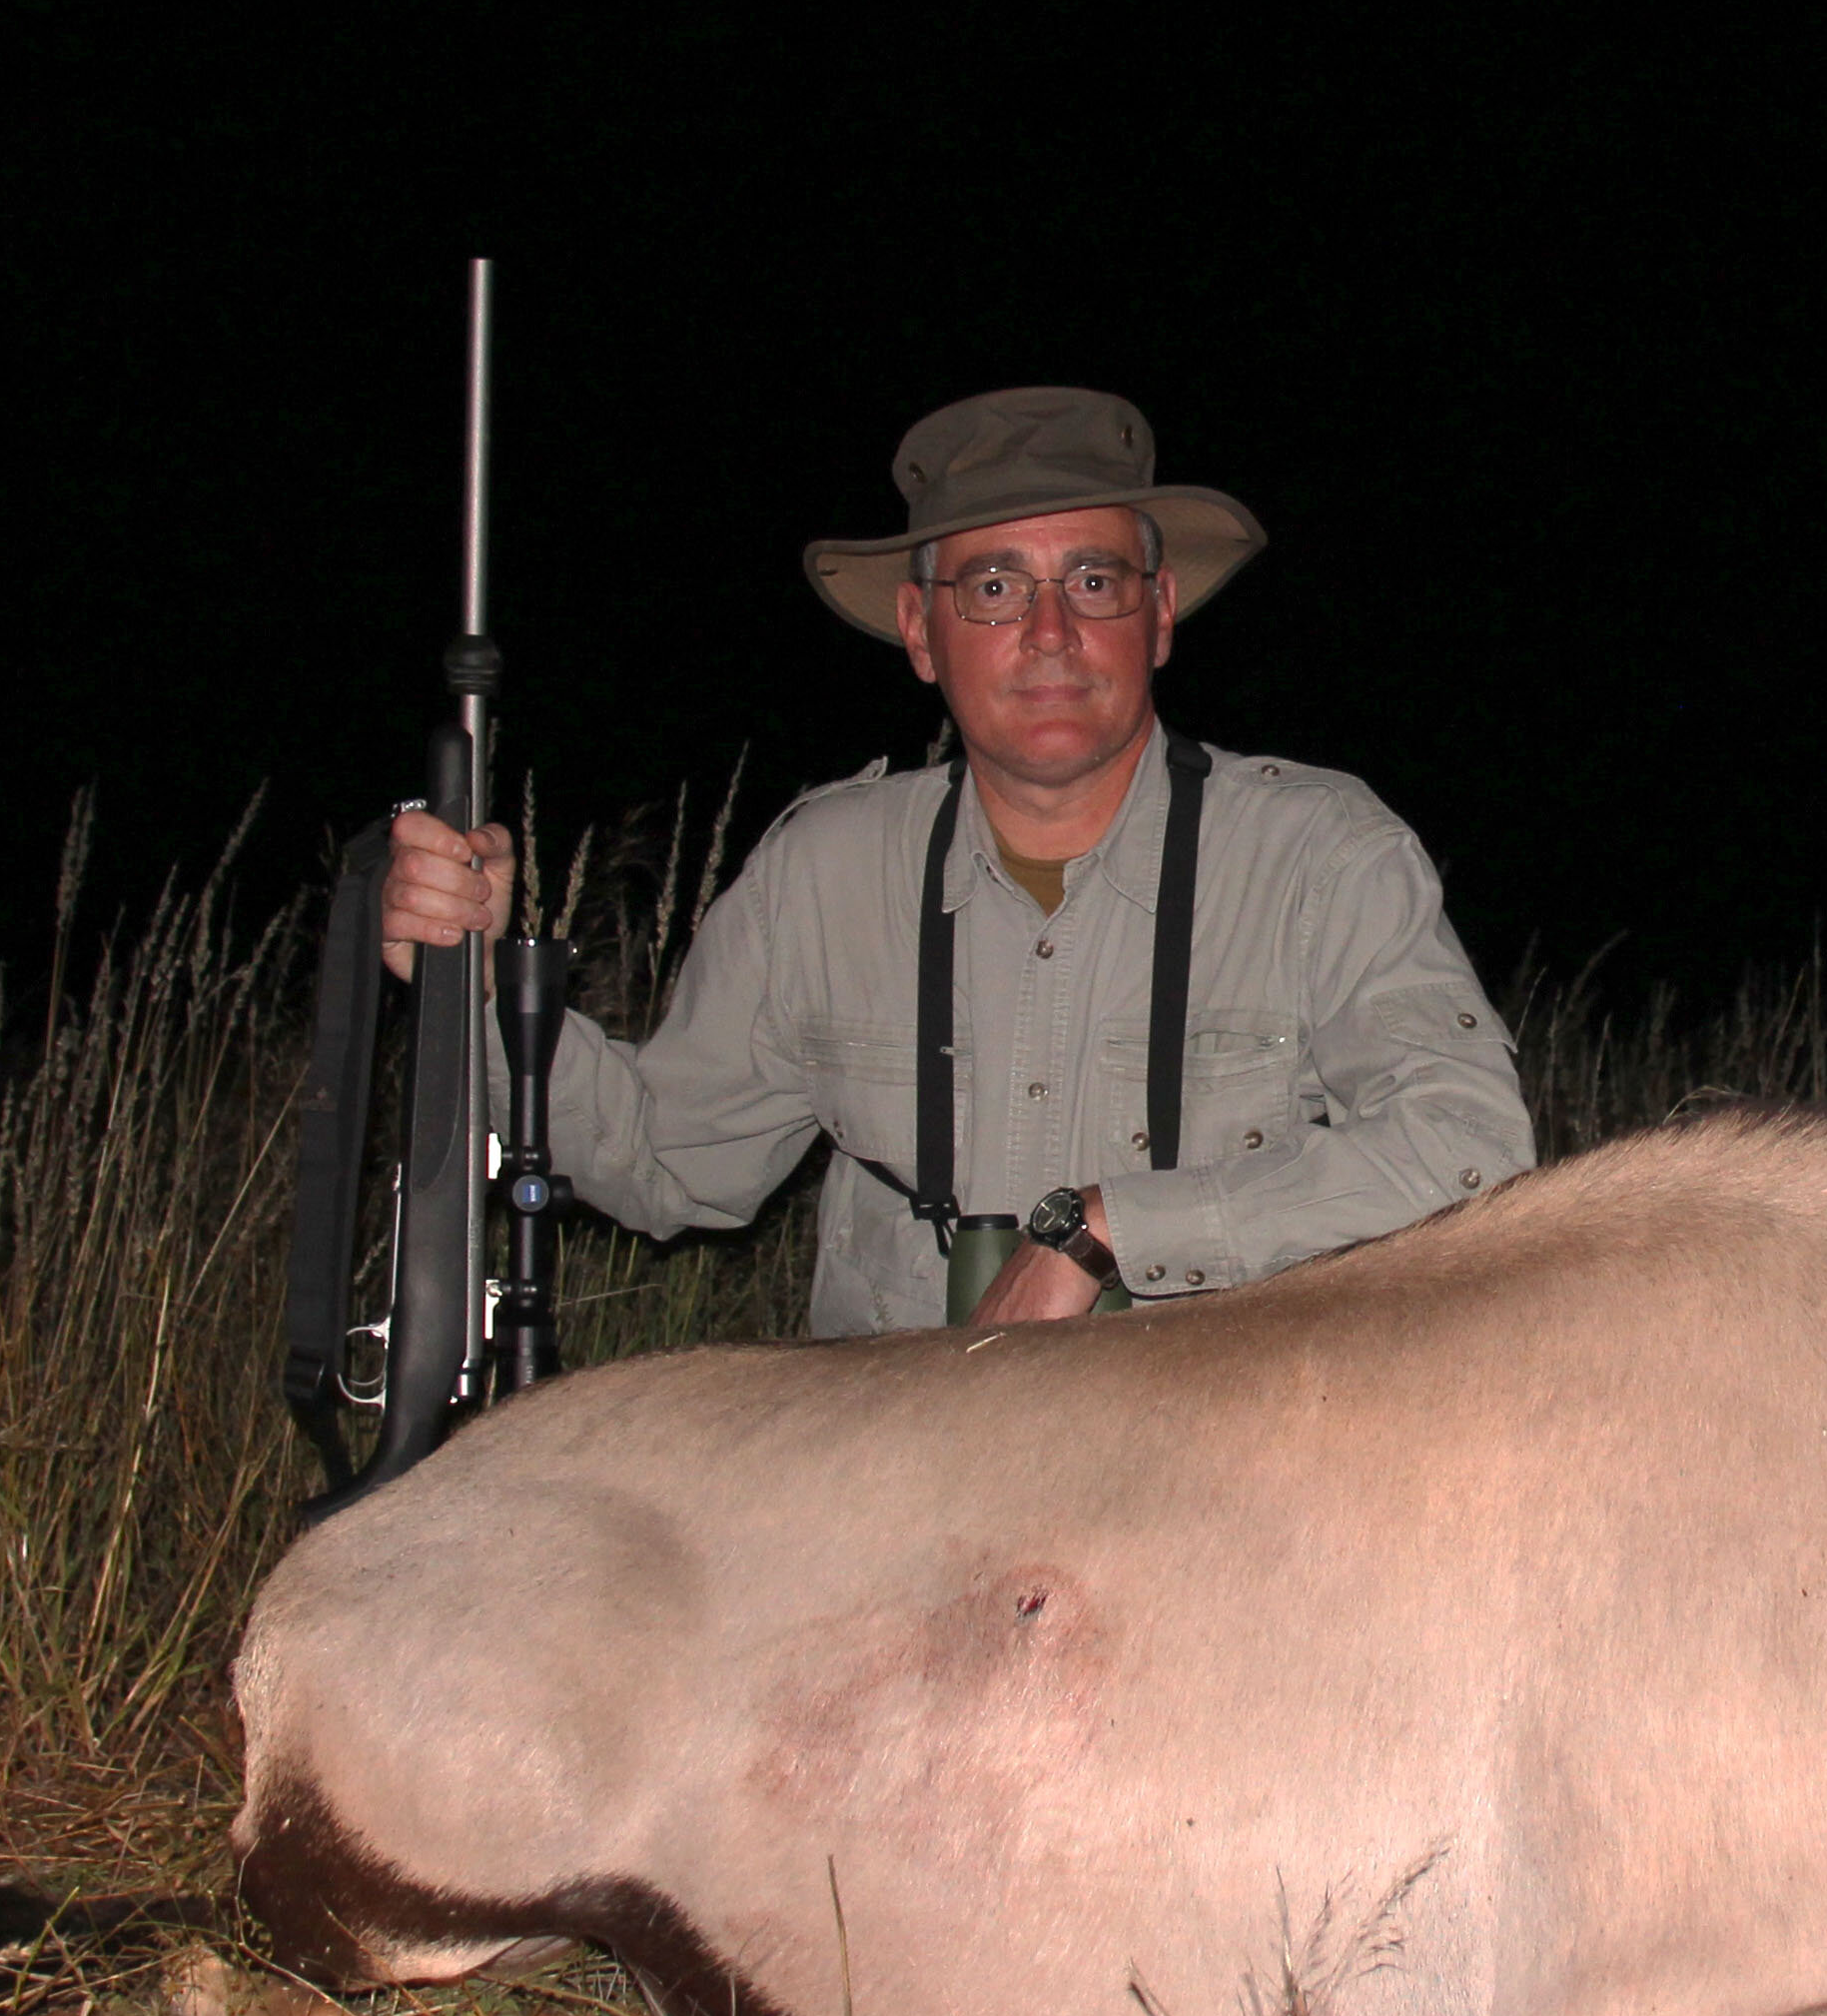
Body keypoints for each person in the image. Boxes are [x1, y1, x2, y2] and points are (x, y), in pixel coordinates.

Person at [379, 386, 1532, 1337]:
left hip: (1211, 1495)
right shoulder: (821, 873)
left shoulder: (1321, 855)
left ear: (1160, 613)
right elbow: (669, 1165)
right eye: (993, 588)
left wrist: (1112, 1230)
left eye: (1092, 581)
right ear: (923, 633)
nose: (1048, 633)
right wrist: (473, 987)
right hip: (896, 1491)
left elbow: (1471, 1142)